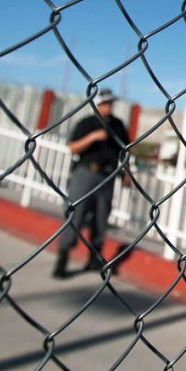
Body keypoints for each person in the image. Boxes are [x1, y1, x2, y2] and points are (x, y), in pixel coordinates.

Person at [52, 89, 130, 278]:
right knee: (75, 215)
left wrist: (126, 172)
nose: (108, 107)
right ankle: (62, 259)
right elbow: (72, 147)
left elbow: (125, 151)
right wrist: (93, 137)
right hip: (87, 173)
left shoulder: (118, 125)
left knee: (101, 217)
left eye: (110, 103)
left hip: (107, 176)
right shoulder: (87, 123)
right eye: (104, 103)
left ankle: (94, 258)